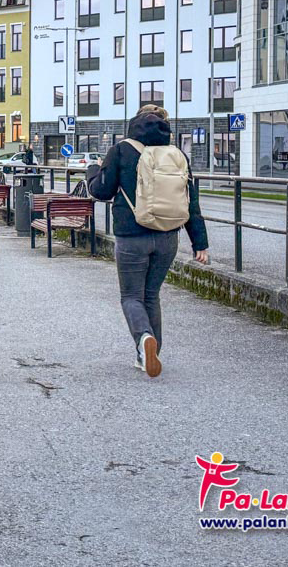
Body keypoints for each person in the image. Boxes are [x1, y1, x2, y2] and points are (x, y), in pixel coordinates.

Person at [86, 104, 209, 379]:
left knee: (131, 296)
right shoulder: (178, 156)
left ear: (135, 123)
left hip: (132, 236)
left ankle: (144, 340)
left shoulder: (121, 150)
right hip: (168, 237)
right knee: (151, 295)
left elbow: (101, 191)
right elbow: (191, 203)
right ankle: (151, 354)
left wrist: (92, 171)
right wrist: (200, 243)